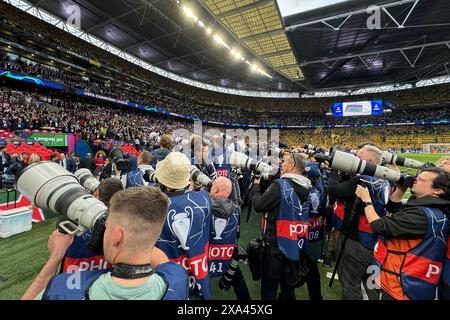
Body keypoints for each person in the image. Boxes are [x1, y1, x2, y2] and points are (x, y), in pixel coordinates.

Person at [22, 186, 188, 300]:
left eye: (106, 228)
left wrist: (55, 258)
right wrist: (133, 239)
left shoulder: (63, 288)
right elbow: (157, 256)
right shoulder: (177, 277)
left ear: (117, 236)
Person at [355, 167, 450, 300]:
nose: (415, 181)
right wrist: (401, 189)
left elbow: (379, 226)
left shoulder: (422, 215)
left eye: (421, 180)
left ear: (438, 190)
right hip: (401, 279)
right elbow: (393, 209)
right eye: (416, 178)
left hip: (399, 285)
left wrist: (366, 200)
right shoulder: (432, 207)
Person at [153, 152, 234, 300]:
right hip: (197, 274)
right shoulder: (202, 199)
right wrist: (210, 184)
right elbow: (227, 208)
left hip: (167, 278)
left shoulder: (153, 206)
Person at [327, 145, 391, 300]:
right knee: (371, 286)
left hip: (356, 242)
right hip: (375, 242)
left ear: (368, 161)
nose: (353, 161)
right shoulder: (385, 179)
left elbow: (333, 190)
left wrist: (334, 170)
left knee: (350, 285)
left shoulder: (362, 180)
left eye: (358, 158)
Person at [249, 151, 311, 300]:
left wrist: (256, 186)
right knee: (288, 289)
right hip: (295, 245)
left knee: (269, 292)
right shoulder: (307, 186)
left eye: (284, 162)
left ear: (291, 165)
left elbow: (258, 204)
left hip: (275, 247)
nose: (282, 164)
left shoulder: (281, 185)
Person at [59, 177, 124, 273]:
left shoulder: (72, 218)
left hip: (72, 279)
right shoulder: (126, 223)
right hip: (109, 277)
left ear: (97, 193)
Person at [208, 177, 251, 300]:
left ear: (215, 189)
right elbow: (237, 235)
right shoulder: (236, 210)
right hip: (226, 255)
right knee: (238, 279)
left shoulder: (203, 208)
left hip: (206, 258)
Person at [301, 161, 326, 300]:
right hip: (316, 232)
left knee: (298, 268)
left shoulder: (305, 191)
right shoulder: (322, 187)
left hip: (305, 235)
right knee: (313, 268)